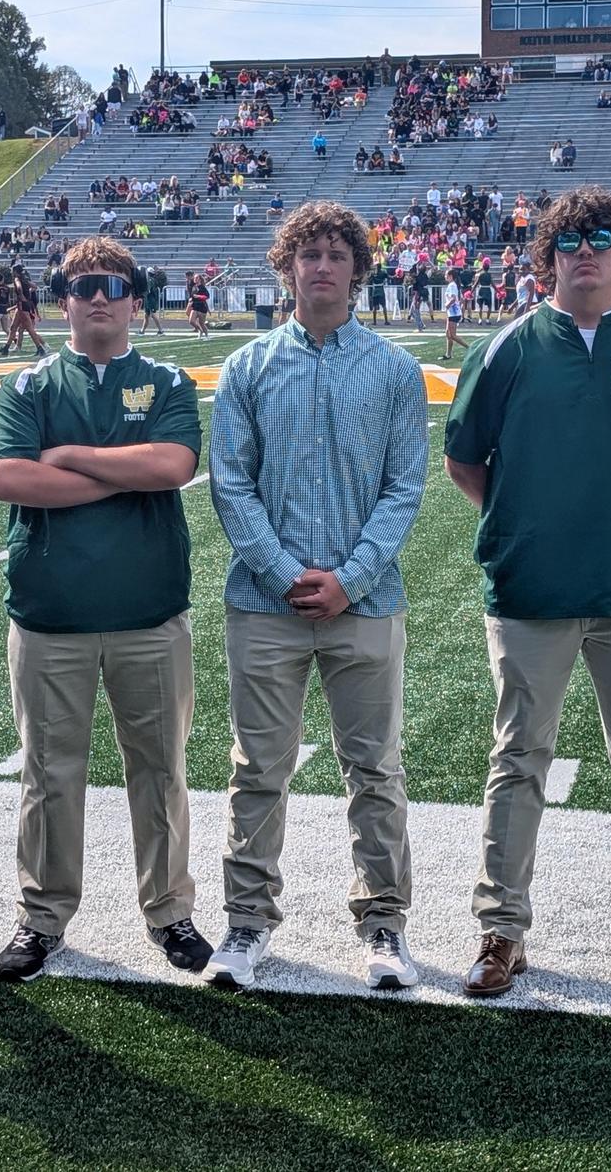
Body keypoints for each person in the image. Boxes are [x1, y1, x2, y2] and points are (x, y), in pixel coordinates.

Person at [443, 187, 611, 1003]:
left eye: (601, 238)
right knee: (517, 760)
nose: (585, 251)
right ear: (549, 255)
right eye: (569, 240)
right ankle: (502, 933)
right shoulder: (509, 347)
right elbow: (466, 461)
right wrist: (527, 522)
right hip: (531, 591)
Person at [206, 203, 428, 992]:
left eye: (337, 253)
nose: (323, 266)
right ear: (287, 267)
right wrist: (282, 572)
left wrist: (349, 578)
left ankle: (382, 924)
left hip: (366, 605)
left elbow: (405, 489)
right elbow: (230, 485)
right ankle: (246, 922)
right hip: (265, 606)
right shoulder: (248, 366)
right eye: (309, 254)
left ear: (358, 269)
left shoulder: (397, 371)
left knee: (374, 771)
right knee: (258, 767)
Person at [0, 237, 211, 982]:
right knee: (49, 775)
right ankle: (42, 917)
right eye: (83, 286)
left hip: (149, 613)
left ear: (136, 298)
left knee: (160, 771)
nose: (99, 296)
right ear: (63, 299)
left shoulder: (168, 378)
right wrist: (125, 471)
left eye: (114, 284)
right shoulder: (29, 386)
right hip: (50, 617)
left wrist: (70, 457)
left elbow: (174, 466)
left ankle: (170, 911)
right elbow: (9, 479)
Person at [6, 266, 48, 357]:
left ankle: (40, 348)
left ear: (16, 272)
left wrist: (22, 296)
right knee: (13, 327)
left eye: (12, 271)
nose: (11, 272)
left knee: (29, 329)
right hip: (22, 305)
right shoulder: (24, 279)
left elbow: (19, 287)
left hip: (22, 305)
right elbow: (35, 286)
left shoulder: (17, 279)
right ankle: (6, 348)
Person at [441, 270, 468, 360]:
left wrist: (447, 305)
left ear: (451, 276)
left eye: (446, 275)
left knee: (452, 335)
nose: (445, 276)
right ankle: (448, 354)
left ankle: (470, 348)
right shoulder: (452, 285)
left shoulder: (452, 285)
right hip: (451, 313)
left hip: (454, 313)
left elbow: (453, 299)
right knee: (448, 334)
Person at [139, 264, 168, 336]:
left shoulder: (150, 280)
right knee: (146, 315)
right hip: (149, 299)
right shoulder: (152, 280)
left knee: (153, 315)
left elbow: (148, 290)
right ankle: (142, 330)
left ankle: (161, 330)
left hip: (151, 299)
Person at [187, 274, 211, 338]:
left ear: (200, 279)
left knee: (201, 323)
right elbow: (192, 295)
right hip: (195, 306)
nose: (195, 279)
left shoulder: (202, 287)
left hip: (202, 306)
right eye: (195, 278)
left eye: (197, 278)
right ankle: (200, 330)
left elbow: (207, 296)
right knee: (191, 321)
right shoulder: (194, 287)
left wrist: (198, 296)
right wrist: (191, 299)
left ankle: (206, 336)